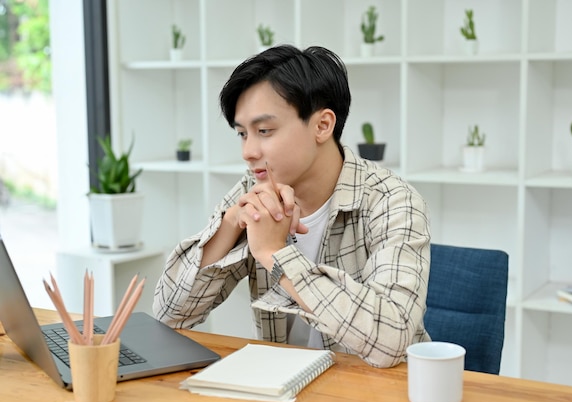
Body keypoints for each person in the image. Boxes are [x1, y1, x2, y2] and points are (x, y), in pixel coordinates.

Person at [153, 45, 431, 368]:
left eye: (264, 131)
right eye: (242, 134)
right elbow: (169, 314)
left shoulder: (392, 200)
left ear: (322, 126)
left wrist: (274, 254)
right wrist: (231, 223)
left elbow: (391, 340)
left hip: (375, 397)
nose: (248, 151)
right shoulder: (252, 192)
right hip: (286, 391)